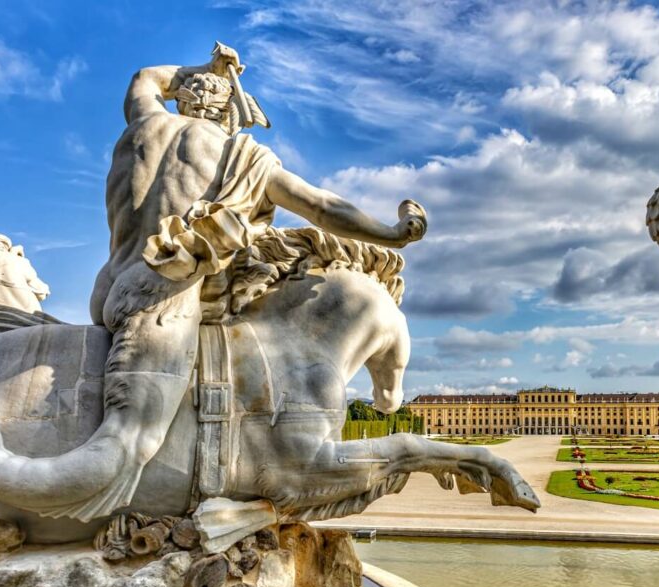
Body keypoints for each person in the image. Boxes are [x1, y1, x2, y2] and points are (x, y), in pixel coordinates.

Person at [52, 42, 425, 520]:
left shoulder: (142, 126)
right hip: (170, 302)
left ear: (182, 96)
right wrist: (391, 235)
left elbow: (145, 76)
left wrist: (204, 69)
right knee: (128, 443)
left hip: (110, 290)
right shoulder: (242, 156)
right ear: (231, 112)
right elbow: (326, 209)